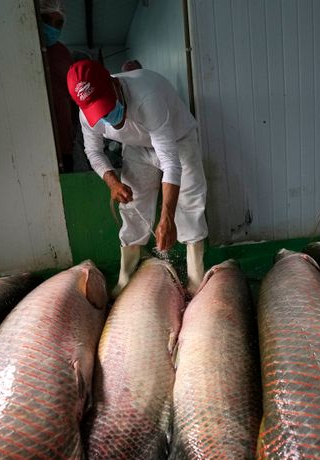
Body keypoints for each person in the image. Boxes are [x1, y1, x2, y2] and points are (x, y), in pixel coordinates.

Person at [66, 59, 207, 297]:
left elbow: (170, 162)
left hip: (178, 140)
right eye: (100, 112)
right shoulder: (86, 114)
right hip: (136, 146)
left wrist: (167, 218)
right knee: (132, 205)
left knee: (189, 201)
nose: (108, 117)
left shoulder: (147, 96)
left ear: (114, 83)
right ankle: (126, 276)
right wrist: (112, 182)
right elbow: (93, 151)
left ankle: (195, 280)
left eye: (108, 106)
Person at [39, 0, 74, 172]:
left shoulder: (63, 54)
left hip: (63, 139)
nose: (52, 28)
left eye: (58, 24)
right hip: (37, 137)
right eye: (46, 20)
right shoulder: (24, 49)